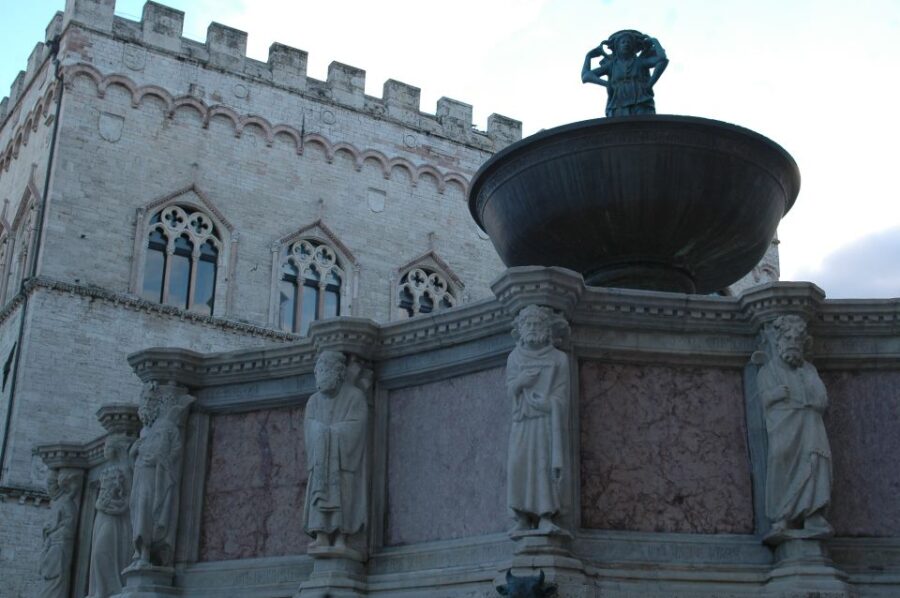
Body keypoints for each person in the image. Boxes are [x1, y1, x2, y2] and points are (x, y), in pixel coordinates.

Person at [757, 315, 833, 542]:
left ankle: (813, 515)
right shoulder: (768, 370)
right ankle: (781, 516)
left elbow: (821, 399)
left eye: (796, 340)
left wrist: (807, 385)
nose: (792, 343)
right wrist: (775, 395)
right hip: (783, 427)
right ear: (778, 343)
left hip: (810, 425)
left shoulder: (808, 369)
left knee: (814, 464)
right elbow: (763, 398)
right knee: (780, 460)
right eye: (787, 338)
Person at [506, 305, 570, 534]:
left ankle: (545, 516)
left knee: (543, 467)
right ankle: (521, 517)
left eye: (537, 324)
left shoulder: (559, 359)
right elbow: (508, 391)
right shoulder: (514, 357)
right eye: (528, 324)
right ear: (521, 328)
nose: (533, 328)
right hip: (522, 422)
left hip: (545, 423)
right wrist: (521, 381)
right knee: (518, 465)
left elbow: (562, 395)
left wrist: (549, 404)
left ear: (546, 329)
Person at [303, 350, 368, 549]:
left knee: (345, 495)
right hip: (321, 462)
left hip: (343, 460)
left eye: (325, 370)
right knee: (319, 494)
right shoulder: (314, 400)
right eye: (319, 371)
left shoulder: (354, 396)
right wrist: (320, 432)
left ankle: (342, 537)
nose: (320, 375)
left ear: (338, 373)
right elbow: (309, 425)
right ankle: (321, 534)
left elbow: (358, 424)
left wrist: (333, 434)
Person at [127, 384, 190, 568]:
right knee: (138, 509)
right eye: (145, 399)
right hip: (142, 473)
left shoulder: (167, 427)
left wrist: (160, 459)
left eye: (151, 400)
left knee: (149, 509)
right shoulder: (147, 429)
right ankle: (140, 551)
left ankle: (147, 553)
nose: (147, 403)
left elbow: (175, 449)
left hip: (156, 476)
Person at [581, 29, 668, 117]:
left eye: (629, 42)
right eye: (623, 42)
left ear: (633, 47)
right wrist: (588, 57)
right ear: (617, 47)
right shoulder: (612, 65)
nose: (626, 44)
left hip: (642, 102)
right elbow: (586, 76)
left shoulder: (640, 62)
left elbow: (662, 60)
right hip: (617, 105)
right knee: (618, 129)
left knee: (645, 129)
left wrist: (655, 41)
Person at [87, 435, 133, 598]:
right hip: (102, 516)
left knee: (102, 552)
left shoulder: (127, 469)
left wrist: (111, 507)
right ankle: (101, 591)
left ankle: (112, 590)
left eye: (108, 447)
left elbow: (130, 500)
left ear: (116, 449)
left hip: (114, 520)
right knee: (97, 555)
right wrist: (102, 505)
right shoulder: (106, 470)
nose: (105, 450)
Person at [38, 469, 80, 598]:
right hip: (52, 546)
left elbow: (70, 525)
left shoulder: (66, 502)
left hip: (59, 547)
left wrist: (53, 531)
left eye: (50, 484)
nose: (48, 488)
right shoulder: (58, 502)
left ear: (57, 485)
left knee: (57, 579)